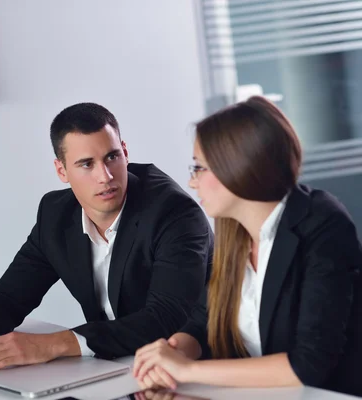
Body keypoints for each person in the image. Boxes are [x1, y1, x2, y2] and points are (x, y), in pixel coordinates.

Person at [133, 96, 362, 396]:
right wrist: (172, 352)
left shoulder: (323, 224)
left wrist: (187, 370)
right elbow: (203, 320)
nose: (192, 182)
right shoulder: (233, 230)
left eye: (199, 168)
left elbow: (308, 364)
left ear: (237, 166)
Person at [0, 102, 213, 371]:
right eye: (86, 164)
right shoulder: (55, 215)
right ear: (62, 171)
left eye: (112, 157)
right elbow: (9, 296)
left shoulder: (172, 212)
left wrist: (51, 345)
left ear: (126, 153)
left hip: (193, 368)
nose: (104, 177)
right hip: (111, 369)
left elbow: (166, 318)